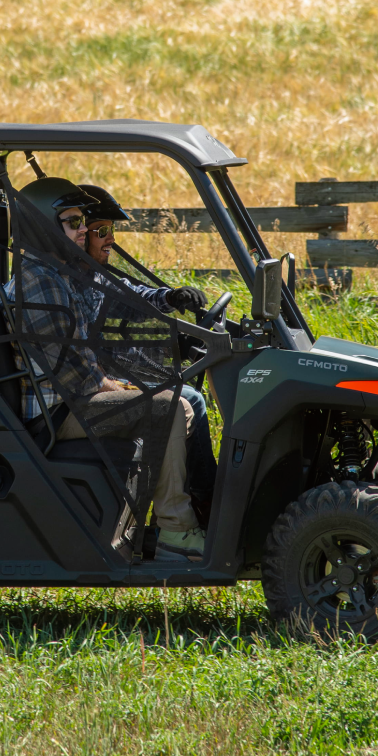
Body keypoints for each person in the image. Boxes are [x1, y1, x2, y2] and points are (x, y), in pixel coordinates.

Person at [9, 176, 205, 561]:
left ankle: (177, 517)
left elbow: (121, 303)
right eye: (73, 222)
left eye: (84, 222)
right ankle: (176, 531)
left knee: (170, 399)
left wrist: (169, 300)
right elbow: (78, 378)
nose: (84, 230)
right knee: (170, 407)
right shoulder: (40, 283)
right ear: (43, 227)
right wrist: (132, 391)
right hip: (55, 412)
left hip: (68, 399)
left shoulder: (56, 272)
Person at [77, 183, 219, 525]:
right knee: (188, 399)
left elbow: (132, 298)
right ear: (80, 236)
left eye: (111, 230)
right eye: (102, 231)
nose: (110, 239)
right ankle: (206, 501)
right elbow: (83, 359)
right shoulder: (71, 282)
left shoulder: (93, 277)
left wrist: (170, 298)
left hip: (102, 377)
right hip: (94, 386)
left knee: (191, 396)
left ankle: (200, 496)